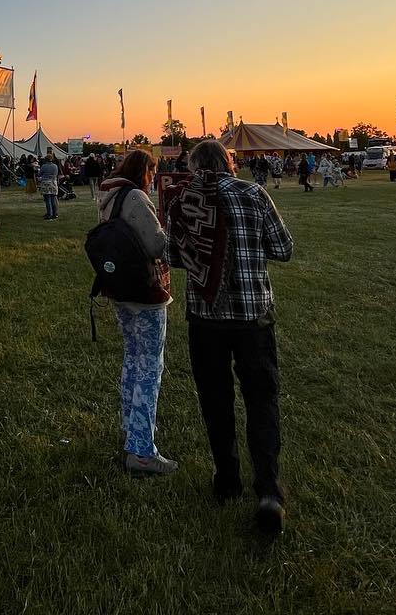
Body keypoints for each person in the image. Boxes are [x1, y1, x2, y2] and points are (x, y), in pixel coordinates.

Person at [166, 140, 294, 533]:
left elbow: (173, 257)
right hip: (253, 316)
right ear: (227, 163)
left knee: (215, 400)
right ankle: (269, 490)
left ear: (195, 166)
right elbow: (284, 248)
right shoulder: (254, 193)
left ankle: (227, 480)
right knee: (261, 399)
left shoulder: (183, 199)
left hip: (205, 318)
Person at [95, 147, 174, 476]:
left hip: (120, 289)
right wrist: (167, 227)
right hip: (144, 293)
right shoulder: (135, 198)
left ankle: (132, 428)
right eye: (152, 171)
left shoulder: (109, 196)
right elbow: (156, 245)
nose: (154, 177)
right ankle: (141, 451)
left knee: (132, 359)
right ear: (143, 170)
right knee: (149, 368)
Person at [38, 150, 61, 220]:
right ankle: (55, 213)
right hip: (53, 183)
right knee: (53, 198)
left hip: (46, 183)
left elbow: (40, 174)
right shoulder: (55, 166)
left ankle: (49, 214)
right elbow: (56, 174)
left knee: (47, 199)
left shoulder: (44, 166)